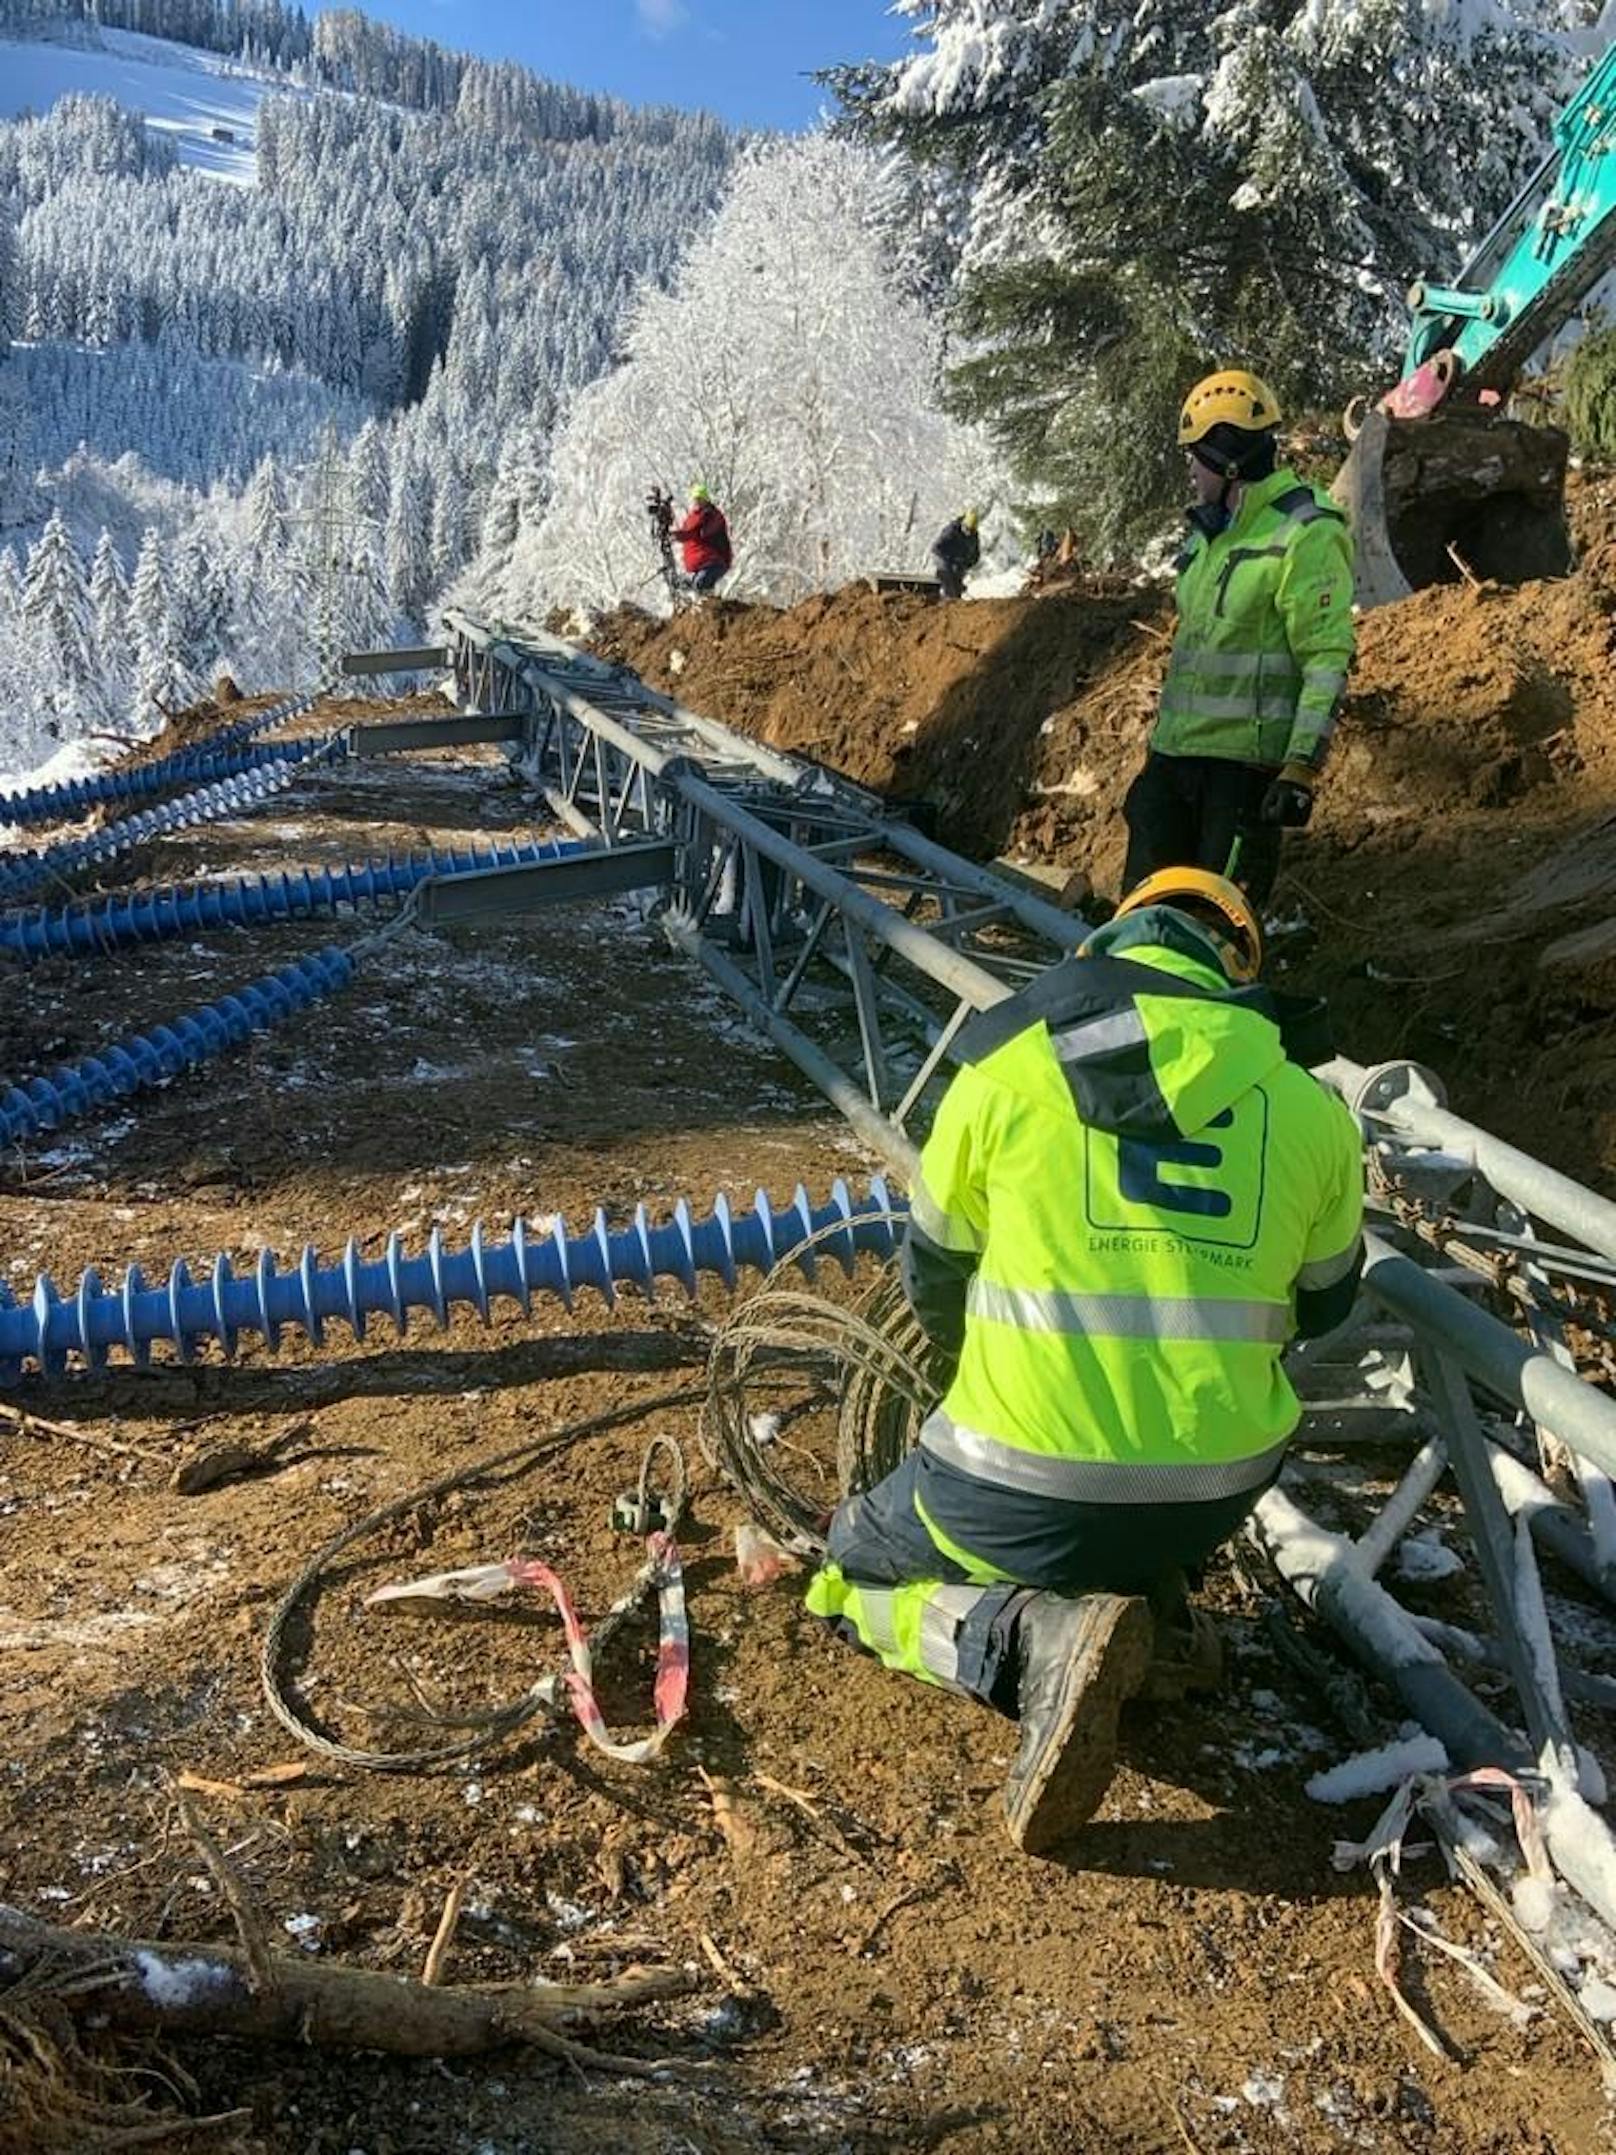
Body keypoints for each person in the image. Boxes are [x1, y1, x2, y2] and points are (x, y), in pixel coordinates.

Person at [805, 867, 1364, 1855]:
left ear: (1102, 948)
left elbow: (934, 1278)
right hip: (1213, 1492)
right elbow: (1323, 1305)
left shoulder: (1000, 1072)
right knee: (1131, 1500)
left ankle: (1024, 1640)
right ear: (1232, 968)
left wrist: (1000, 1385)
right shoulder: (1312, 1109)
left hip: (1017, 1481)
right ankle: (1153, 1599)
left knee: (852, 1565)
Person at [1121, 372, 1355, 907]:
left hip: (1241, 782)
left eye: (1194, 457)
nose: (1189, 471)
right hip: (1173, 765)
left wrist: (1300, 767)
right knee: (1140, 924)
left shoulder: (1306, 531)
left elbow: (1326, 659)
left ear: (1226, 461)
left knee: (1212, 934)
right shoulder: (1210, 534)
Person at [670, 483, 732, 595]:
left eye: (700, 499)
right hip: (698, 563)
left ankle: (709, 606)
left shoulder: (712, 515)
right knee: (681, 583)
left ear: (705, 499)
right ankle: (702, 606)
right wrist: (675, 535)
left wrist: (678, 536)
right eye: (695, 499)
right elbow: (688, 533)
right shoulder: (692, 518)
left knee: (701, 583)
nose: (697, 502)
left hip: (713, 561)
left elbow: (699, 533)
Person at [932, 508, 981, 599]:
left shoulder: (974, 537)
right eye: (967, 529)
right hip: (942, 556)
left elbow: (976, 555)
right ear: (963, 524)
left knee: (958, 575)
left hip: (957, 560)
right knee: (947, 574)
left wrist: (967, 563)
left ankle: (956, 596)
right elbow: (937, 548)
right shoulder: (951, 531)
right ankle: (948, 595)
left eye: (971, 531)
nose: (968, 533)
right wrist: (950, 560)